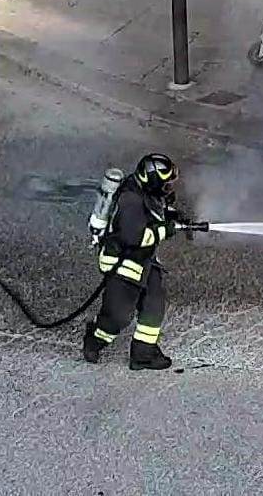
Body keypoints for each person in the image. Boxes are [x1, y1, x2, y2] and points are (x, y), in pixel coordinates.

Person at [82, 153, 185, 370]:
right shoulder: (131, 200)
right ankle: (96, 339)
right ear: (153, 181)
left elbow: (156, 211)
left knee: (154, 303)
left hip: (145, 260)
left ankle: (143, 354)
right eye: (165, 184)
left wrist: (173, 217)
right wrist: (166, 230)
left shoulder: (145, 191)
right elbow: (135, 238)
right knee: (118, 316)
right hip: (124, 263)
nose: (168, 188)